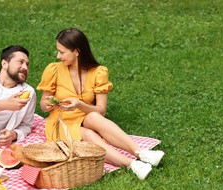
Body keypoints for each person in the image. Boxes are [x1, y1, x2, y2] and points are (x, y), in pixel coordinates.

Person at [37, 28, 164, 180]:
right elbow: (43, 106)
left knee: (94, 118)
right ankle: (133, 164)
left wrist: (79, 104)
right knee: (88, 134)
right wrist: (50, 104)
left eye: (62, 52)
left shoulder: (98, 72)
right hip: (60, 122)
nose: (58, 56)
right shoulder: (54, 70)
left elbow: (101, 110)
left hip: (85, 116)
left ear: (76, 52)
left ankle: (141, 153)